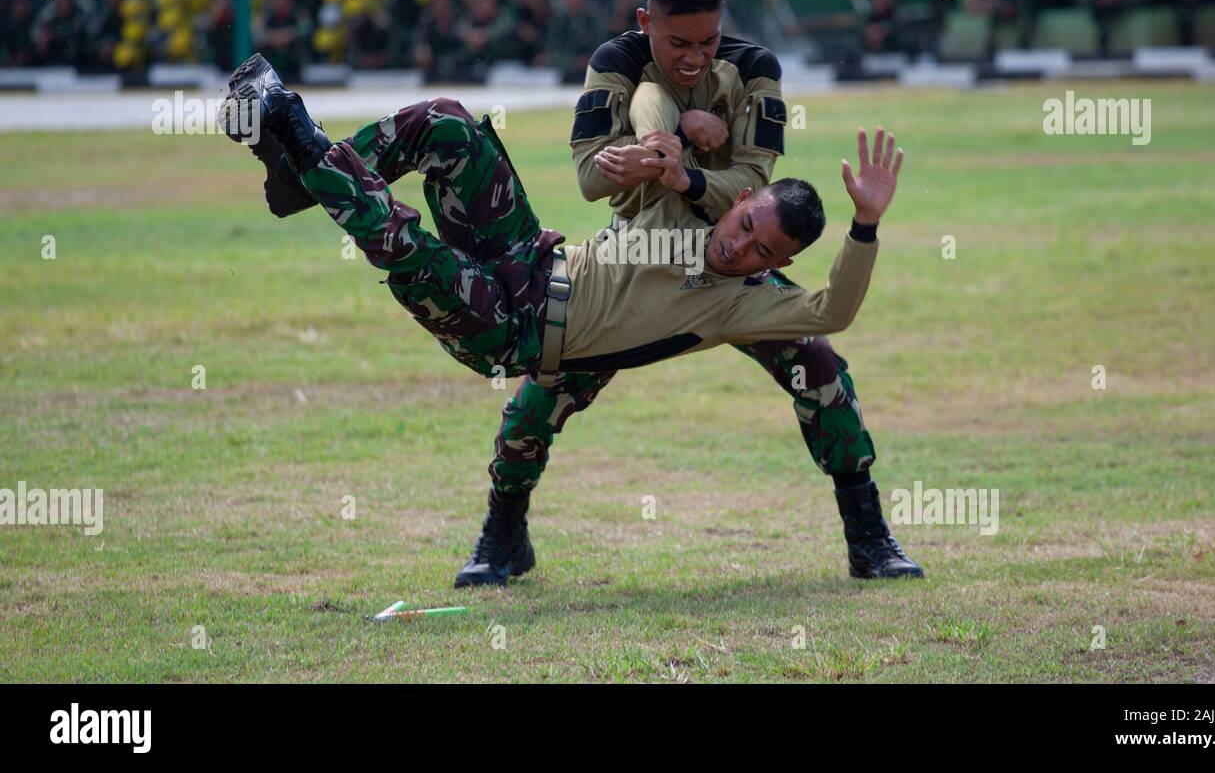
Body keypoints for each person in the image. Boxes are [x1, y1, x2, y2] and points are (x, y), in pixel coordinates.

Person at [219, 50, 913, 589]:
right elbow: (646, 93)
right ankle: (301, 176)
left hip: (511, 328)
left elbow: (835, 310)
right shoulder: (675, 204)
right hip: (527, 256)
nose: (740, 246)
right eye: (745, 225)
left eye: (762, 250)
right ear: (737, 201)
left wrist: (867, 224)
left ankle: (293, 129)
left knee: (406, 247)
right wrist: (662, 140)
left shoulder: (742, 304)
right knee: (449, 122)